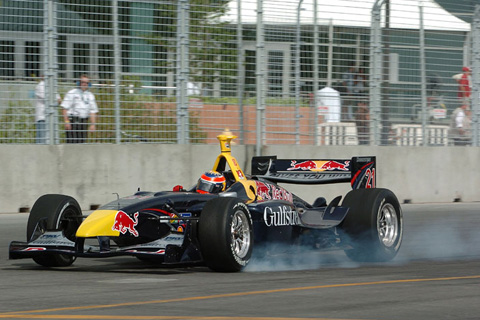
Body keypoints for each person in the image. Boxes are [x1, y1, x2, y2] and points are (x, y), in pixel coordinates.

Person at [61, 75, 98, 143]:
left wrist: (93, 124)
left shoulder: (90, 95)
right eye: (82, 82)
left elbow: (92, 111)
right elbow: (64, 108)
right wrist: (66, 121)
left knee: (82, 143)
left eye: (86, 83)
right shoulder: (72, 92)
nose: (84, 84)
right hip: (73, 121)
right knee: (72, 143)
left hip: (83, 122)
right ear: (79, 83)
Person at [34, 77, 61, 144]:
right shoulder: (41, 85)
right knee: (42, 141)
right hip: (42, 117)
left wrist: (54, 101)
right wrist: (54, 101)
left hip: (51, 118)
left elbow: (59, 100)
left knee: (51, 141)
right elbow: (48, 99)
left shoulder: (51, 86)